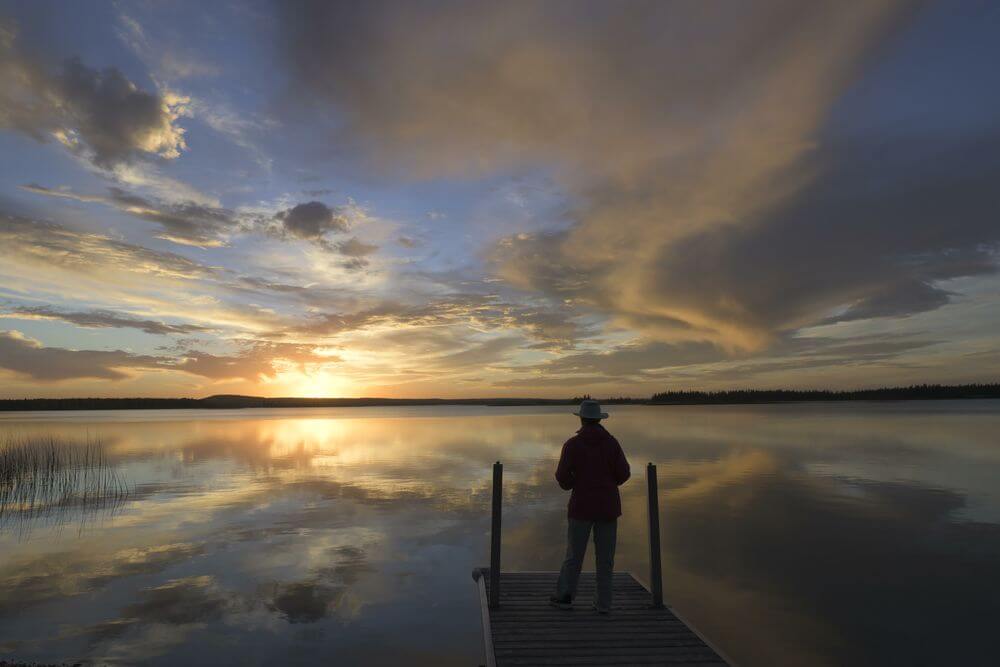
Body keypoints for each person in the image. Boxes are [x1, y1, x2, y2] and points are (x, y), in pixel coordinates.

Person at [549, 399, 631, 614]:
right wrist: (609, 483)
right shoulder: (612, 443)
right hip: (608, 508)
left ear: (582, 419)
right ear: (599, 419)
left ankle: (565, 597)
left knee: (574, 555)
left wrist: (573, 484)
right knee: (605, 559)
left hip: (581, 507)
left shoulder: (573, 444)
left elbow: (561, 477)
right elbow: (624, 474)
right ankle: (603, 604)